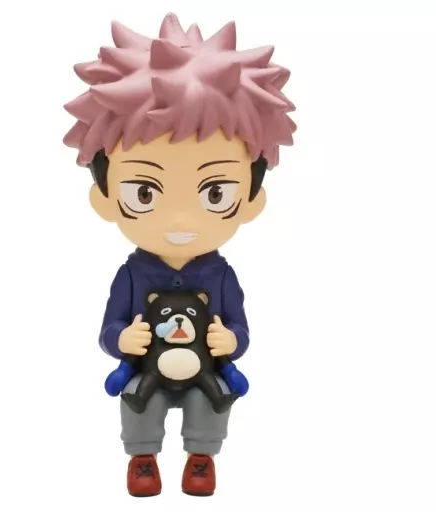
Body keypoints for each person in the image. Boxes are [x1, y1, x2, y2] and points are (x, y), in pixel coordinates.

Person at [63, 12, 296, 497]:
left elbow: (240, 326)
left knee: (212, 403)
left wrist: (230, 341)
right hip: (145, 372)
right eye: (144, 192)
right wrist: (122, 338)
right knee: (136, 403)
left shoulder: (221, 276)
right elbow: (109, 327)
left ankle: (201, 457)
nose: (180, 219)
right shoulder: (131, 276)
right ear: (104, 198)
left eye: (215, 193)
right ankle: (143, 457)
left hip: (203, 373)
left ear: (251, 200)